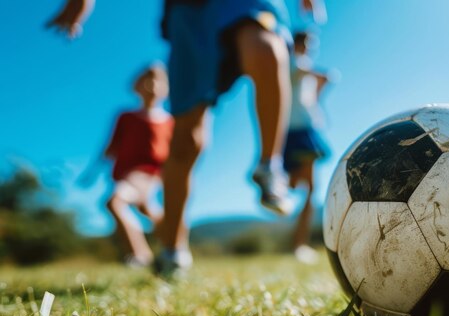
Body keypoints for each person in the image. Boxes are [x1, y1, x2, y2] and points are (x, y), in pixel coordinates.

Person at [47, 0, 326, 275]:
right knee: (187, 140)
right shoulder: (127, 116)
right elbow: (112, 147)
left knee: (267, 48)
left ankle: (268, 165)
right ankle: (172, 249)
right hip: (190, 10)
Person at [103, 64, 174, 267]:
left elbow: (173, 154)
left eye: (158, 80)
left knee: (115, 202)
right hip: (125, 172)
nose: (152, 84)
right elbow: (111, 147)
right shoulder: (126, 117)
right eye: (147, 79)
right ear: (137, 87)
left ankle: (140, 254)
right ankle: (174, 244)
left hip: (149, 172)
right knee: (148, 210)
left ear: (167, 89)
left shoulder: (169, 122)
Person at [283, 31, 333, 264]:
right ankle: (297, 243)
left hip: (307, 128)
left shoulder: (303, 68)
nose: (309, 47)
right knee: (299, 186)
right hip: (295, 131)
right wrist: (324, 75)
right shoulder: (293, 62)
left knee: (310, 187)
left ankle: (298, 244)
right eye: (307, 42)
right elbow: (309, 72)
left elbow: (312, 96)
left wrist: (320, 83)